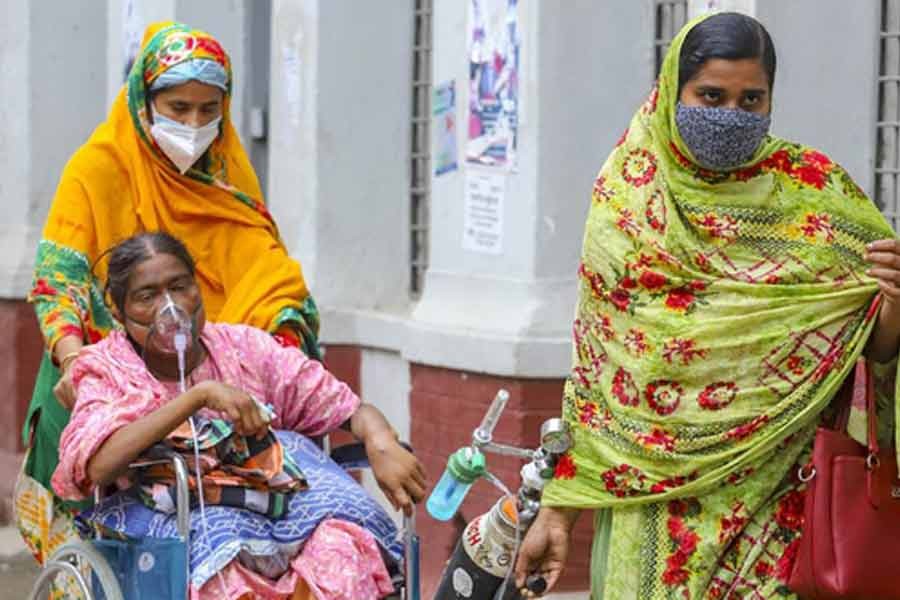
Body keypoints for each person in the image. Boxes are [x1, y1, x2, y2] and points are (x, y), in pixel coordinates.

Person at [515, 12, 900, 599]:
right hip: (653, 510)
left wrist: (895, 304)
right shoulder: (630, 201)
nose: (730, 117)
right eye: (711, 96)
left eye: (752, 100)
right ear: (674, 89)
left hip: (782, 506)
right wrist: (557, 514)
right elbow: (598, 378)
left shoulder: (816, 194)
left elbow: (874, 343)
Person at [15, 21, 322, 566]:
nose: (193, 124)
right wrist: (75, 358)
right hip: (112, 379)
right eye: (178, 108)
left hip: (217, 375)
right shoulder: (98, 170)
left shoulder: (226, 177)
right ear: (144, 101)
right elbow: (58, 279)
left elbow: (268, 272)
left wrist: (280, 342)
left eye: (209, 111)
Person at [52, 231, 426, 600]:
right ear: (118, 310)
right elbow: (99, 466)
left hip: (273, 506)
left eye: (180, 287)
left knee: (343, 548)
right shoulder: (106, 369)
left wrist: (380, 442)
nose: (170, 307)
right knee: (224, 566)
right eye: (146, 296)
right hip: (170, 517)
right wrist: (197, 398)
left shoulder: (245, 348)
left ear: (198, 288)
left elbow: (347, 408)